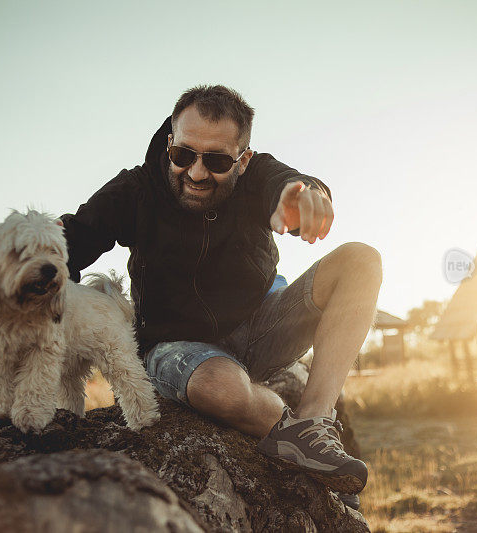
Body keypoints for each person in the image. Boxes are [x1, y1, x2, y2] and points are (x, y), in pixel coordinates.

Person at [60, 85, 382, 497]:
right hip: (176, 345)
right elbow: (73, 242)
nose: (196, 172)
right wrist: (36, 249)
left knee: (361, 259)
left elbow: (287, 183)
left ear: (242, 160)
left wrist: (306, 196)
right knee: (222, 390)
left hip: (262, 325)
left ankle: (313, 424)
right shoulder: (136, 191)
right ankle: (286, 429)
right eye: (183, 155)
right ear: (171, 143)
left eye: (215, 161)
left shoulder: (257, 175)